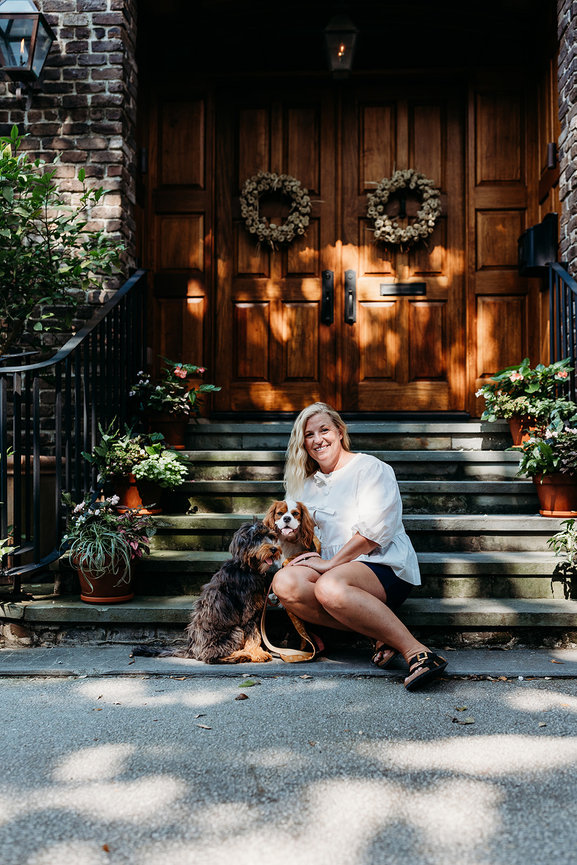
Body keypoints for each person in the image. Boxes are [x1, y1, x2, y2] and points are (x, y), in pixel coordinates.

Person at [272, 402, 447, 691]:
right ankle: (378, 633)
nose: (318, 440)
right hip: (333, 572)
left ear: (340, 431)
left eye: (324, 430)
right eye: (309, 434)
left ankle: (419, 653)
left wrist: (329, 564)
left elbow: (375, 531)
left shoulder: (370, 468)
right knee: (285, 582)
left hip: (381, 565)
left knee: (330, 585)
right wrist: (287, 539)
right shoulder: (302, 484)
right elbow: (299, 533)